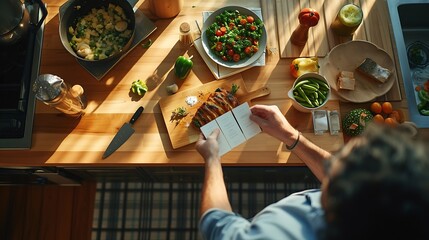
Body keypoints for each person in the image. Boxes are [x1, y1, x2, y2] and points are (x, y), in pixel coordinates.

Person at [195, 104, 429, 240]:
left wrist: (212, 158)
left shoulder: (275, 234)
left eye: (339, 161)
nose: (331, 162)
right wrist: (292, 137)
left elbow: (216, 224)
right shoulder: (387, 210)